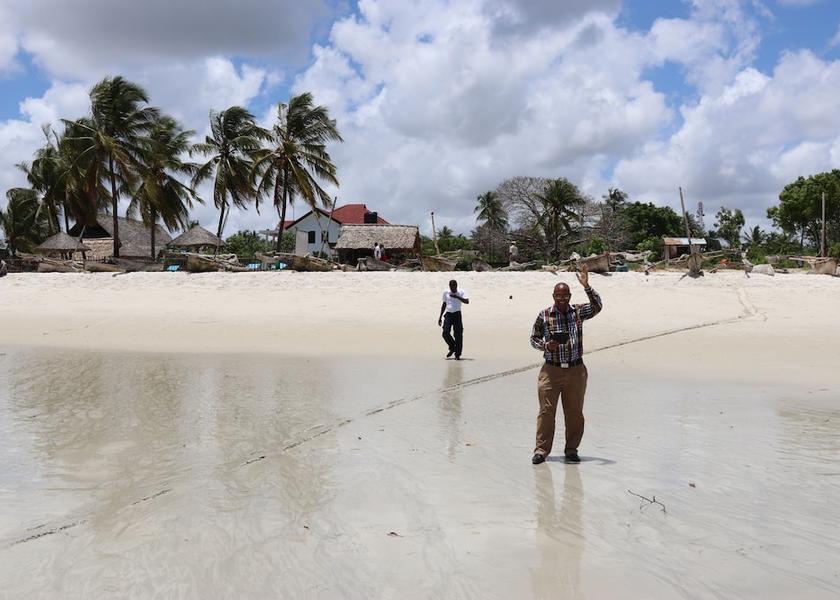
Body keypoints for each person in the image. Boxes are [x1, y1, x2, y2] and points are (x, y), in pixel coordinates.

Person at [529, 265, 602, 464]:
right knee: (546, 411)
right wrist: (546, 345)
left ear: (570, 296)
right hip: (551, 370)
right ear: (553, 296)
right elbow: (533, 338)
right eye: (559, 297)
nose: (562, 300)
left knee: (574, 412)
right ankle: (541, 451)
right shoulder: (544, 315)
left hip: (576, 370)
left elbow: (597, 307)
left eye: (566, 296)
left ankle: (571, 450)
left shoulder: (578, 312)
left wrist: (587, 286)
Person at [438, 279, 469, 360]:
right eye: (451, 288)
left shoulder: (461, 291)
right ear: (449, 287)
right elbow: (444, 304)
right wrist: (440, 317)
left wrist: (457, 296)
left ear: (456, 286)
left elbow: (467, 301)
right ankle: (452, 347)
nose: (453, 289)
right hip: (448, 314)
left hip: (457, 314)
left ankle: (457, 355)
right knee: (445, 333)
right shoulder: (446, 292)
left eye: (454, 288)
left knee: (458, 335)